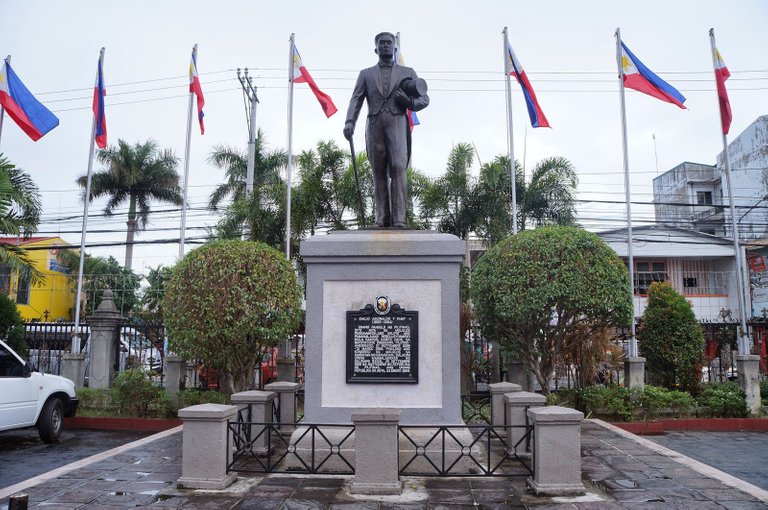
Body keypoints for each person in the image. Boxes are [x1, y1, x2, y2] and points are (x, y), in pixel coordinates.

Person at [343, 32, 429, 228]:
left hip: (397, 123)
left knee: (399, 167)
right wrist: (350, 121)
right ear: (376, 49)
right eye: (381, 43)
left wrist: (408, 102)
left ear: (394, 47)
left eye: (389, 43)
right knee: (379, 171)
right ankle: (382, 218)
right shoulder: (365, 74)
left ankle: (399, 219)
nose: (385, 46)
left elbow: (425, 99)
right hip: (374, 125)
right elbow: (356, 99)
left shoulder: (407, 72)